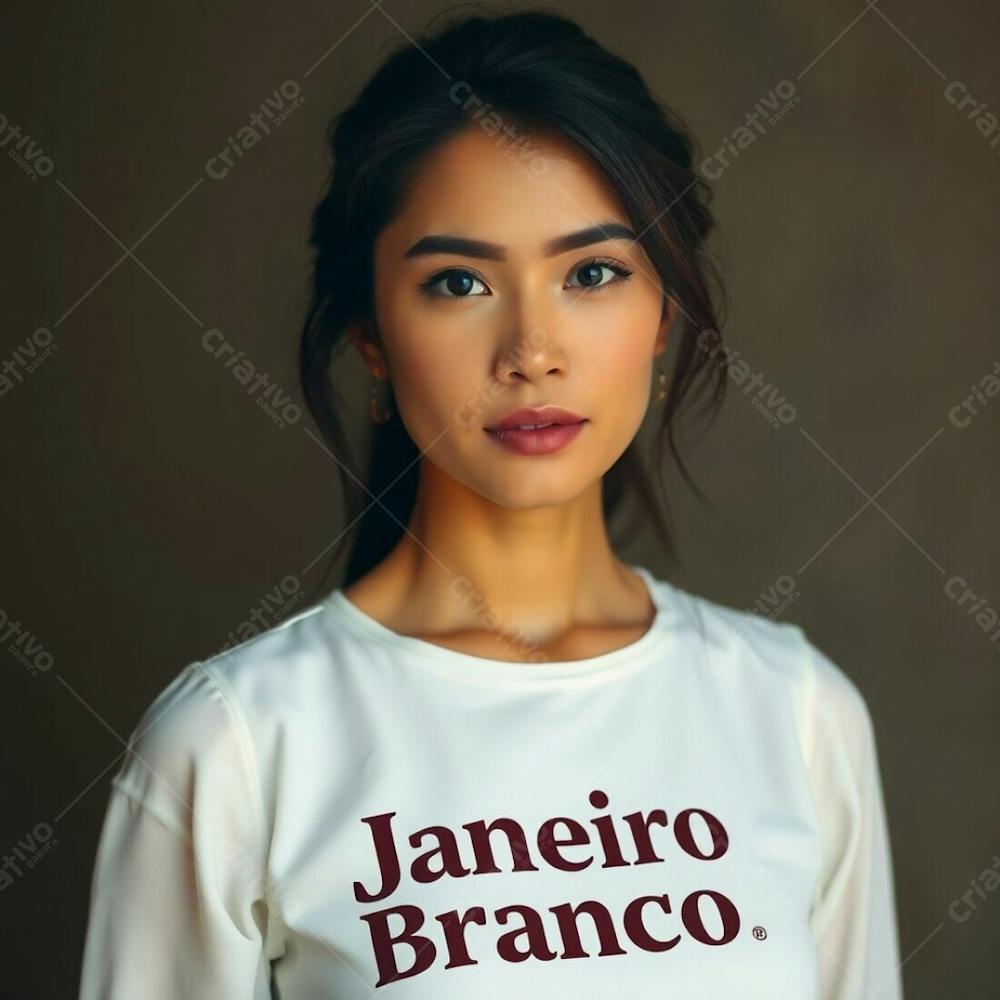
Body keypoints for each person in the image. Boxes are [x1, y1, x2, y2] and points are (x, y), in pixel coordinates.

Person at [78, 8, 904, 998]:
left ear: (661, 312)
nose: (531, 350)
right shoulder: (235, 743)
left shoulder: (796, 712)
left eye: (592, 273)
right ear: (372, 336)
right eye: (459, 281)